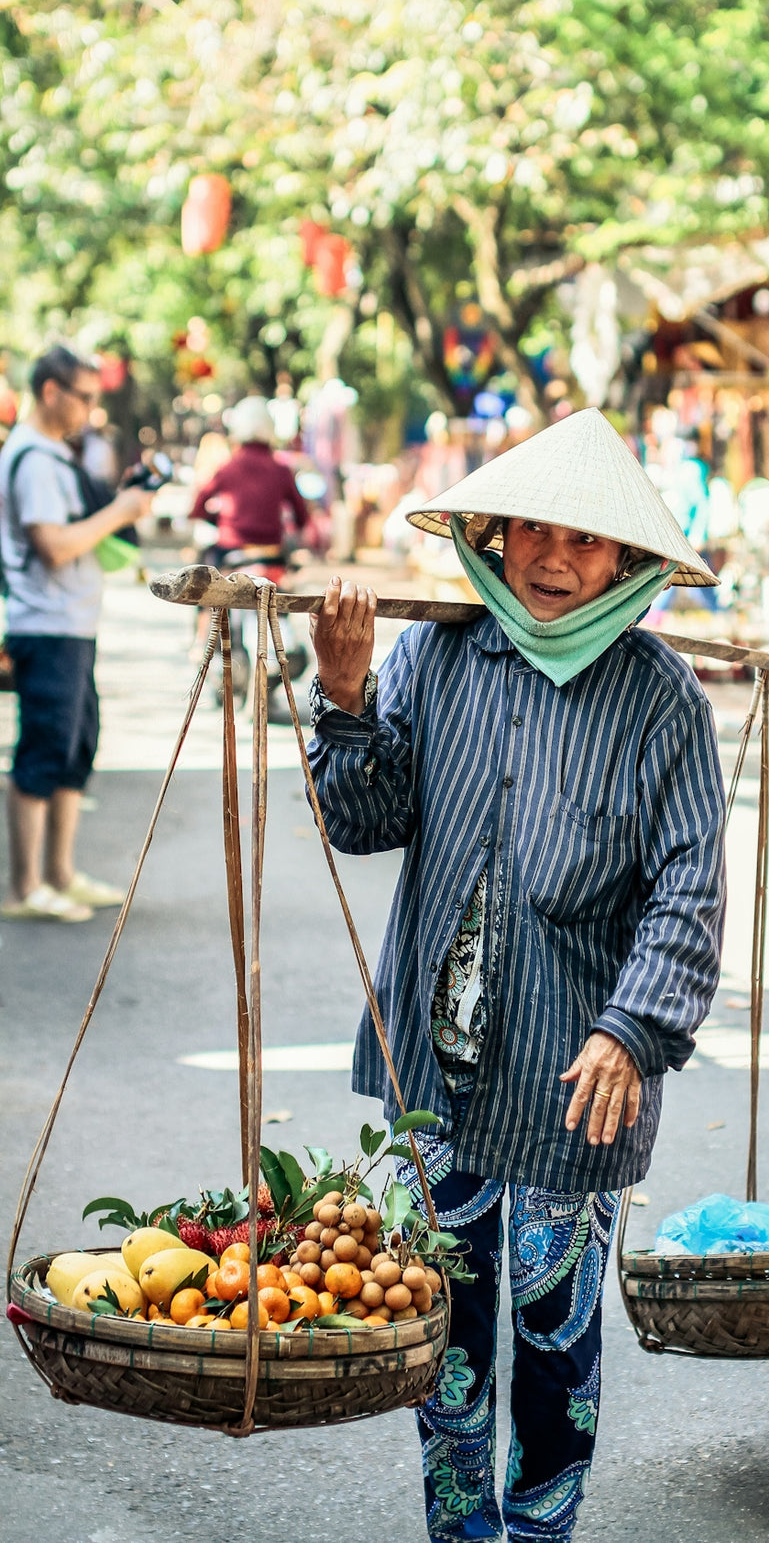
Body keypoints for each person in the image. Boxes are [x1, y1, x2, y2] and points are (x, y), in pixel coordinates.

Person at [307, 408, 727, 1543]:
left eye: (585, 540)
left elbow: (689, 890)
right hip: (433, 1070)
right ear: (493, 535)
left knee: (554, 1344)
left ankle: (541, 1532)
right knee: (441, 1339)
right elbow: (365, 821)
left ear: (625, 561)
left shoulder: (659, 699)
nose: (553, 558)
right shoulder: (436, 655)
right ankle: (461, 1533)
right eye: (534, 529)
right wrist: (346, 699)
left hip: (573, 1075)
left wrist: (631, 1029)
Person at [0, 346, 155, 922]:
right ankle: (26, 887)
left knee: (75, 748)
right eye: (84, 397)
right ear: (50, 391)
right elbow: (54, 546)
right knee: (43, 751)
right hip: (47, 627)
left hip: (70, 626)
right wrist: (122, 512)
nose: (92, 409)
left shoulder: (51, 455)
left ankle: (59, 874)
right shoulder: (34, 460)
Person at [188, 394, 310, 562]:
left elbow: (198, 506)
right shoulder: (282, 471)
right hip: (272, 552)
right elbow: (301, 515)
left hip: (231, 548)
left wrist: (216, 520)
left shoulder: (228, 468)